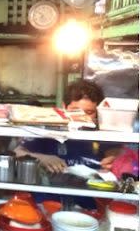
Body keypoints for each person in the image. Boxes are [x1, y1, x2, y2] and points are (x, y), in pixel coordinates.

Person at [14, 79, 122, 209]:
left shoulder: (102, 132)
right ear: (65, 107)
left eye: (89, 112)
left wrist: (112, 159)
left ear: (98, 112)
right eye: (75, 111)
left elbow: (116, 153)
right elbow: (17, 152)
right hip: (48, 201)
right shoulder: (49, 128)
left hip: (89, 203)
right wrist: (42, 158)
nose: (82, 117)